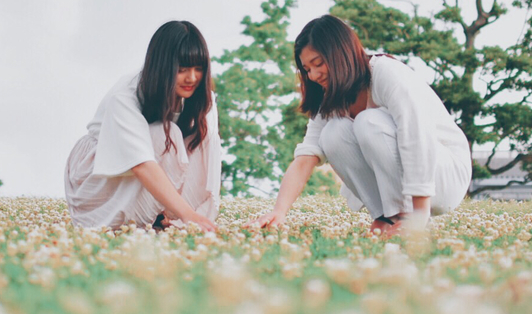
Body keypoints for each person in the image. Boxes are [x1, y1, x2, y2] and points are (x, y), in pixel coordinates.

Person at [247, 14, 471, 235]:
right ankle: (387, 218)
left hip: (443, 176)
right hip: (414, 183)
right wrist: (278, 211)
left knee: (368, 121)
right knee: (332, 134)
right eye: (306, 69)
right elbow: (306, 157)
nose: (313, 75)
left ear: (340, 54)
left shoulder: (385, 73)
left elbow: (416, 137)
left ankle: (405, 215)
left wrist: (420, 214)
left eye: (318, 64)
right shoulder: (331, 97)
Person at [65, 20, 221, 231]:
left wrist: (194, 215)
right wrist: (188, 214)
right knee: (166, 133)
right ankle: (167, 217)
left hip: (150, 161)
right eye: (182, 69)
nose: (191, 78)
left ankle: (181, 219)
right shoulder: (126, 94)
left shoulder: (203, 98)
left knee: (206, 135)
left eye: (198, 69)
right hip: (96, 173)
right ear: (163, 67)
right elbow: (140, 163)